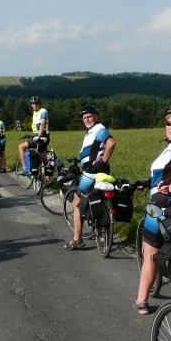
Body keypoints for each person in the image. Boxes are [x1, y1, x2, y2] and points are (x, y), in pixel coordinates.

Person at [133, 105, 171, 314]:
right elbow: (167, 173)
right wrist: (148, 182)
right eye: (168, 123)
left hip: (159, 206)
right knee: (167, 249)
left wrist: (168, 189)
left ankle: (141, 300)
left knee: (150, 250)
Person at [64, 105, 116, 250]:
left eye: (90, 116)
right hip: (95, 171)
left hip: (92, 174)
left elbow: (111, 142)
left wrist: (102, 161)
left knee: (76, 202)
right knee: (97, 199)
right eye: (84, 117)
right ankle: (102, 231)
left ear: (96, 117)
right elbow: (94, 151)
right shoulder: (91, 132)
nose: (87, 119)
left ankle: (77, 239)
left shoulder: (99, 129)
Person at [17, 96, 50, 174]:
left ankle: (25, 168)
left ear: (40, 104)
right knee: (43, 158)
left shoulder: (43, 111)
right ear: (31, 105)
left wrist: (38, 135)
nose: (35, 105)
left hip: (42, 137)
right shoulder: (35, 113)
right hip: (42, 137)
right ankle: (48, 182)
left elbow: (42, 124)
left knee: (21, 147)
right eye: (33, 104)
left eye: (37, 103)